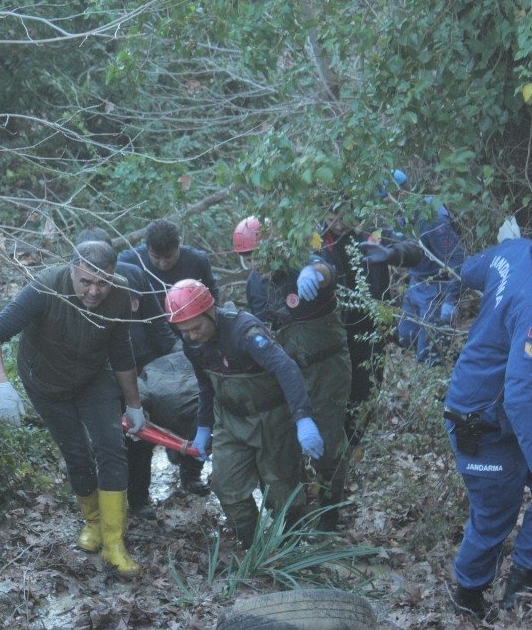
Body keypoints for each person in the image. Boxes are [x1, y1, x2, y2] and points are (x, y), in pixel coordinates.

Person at [0, 241, 145, 576]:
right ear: (72, 269)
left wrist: (134, 404)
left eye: (104, 282)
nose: (95, 291)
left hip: (93, 377)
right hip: (46, 382)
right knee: (77, 454)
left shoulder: (120, 294)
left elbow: (121, 351)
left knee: (112, 448)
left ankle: (114, 543)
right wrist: (2, 385)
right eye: (86, 282)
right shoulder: (44, 287)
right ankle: (94, 523)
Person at [164, 278, 325, 548]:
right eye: (184, 330)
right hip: (230, 421)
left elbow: (286, 368)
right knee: (226, 485)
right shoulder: (191, 344)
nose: (192, 335)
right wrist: (203, 429)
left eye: (196, 327)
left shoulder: (244, 331)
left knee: (282, 490)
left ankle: (292, 544)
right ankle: (252, 546)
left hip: (271, 419)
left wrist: (302, 417)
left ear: (210, 311)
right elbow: (206, 385)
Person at [443, 228, 532, 618]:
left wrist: (504, 256)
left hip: (516, 414)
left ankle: (521, 586)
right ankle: (466, 600)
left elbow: (469, 271)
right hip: (482, 421)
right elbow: (520, 394)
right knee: (494, 518)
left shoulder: (516, 251)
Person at [76, 229, 207, 519]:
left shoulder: (134, 275)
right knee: (109, 442)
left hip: (144, 366)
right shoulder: (81, 287)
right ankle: (107, 504)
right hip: (106, 372)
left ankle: (139, 499)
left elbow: (157, 323)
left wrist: (181, 355)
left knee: (142, 438)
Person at [232, 216, 352, 531]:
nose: (254, 263)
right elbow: (260, 328)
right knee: (283, 446)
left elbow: (327, 271)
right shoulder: (254, 283)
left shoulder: (305, 262)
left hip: (326, 368)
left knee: (326, 445)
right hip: (285, 371)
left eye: (258, 255)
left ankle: (329, 514)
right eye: (247, 258)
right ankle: (295, 514)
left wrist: (314, 273)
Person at [317, 206, 424, 451]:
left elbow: (415, 250)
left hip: (371, 328)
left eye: (344, 217)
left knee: (366, 392)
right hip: (334, 332)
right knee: (334, 396)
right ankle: (333, 455)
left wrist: (391, 254)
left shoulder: (372, 226)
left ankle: (353, 447)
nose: (340, 225)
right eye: (332, 219)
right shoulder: (316, 238)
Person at [387, 169, 466, 366]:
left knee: (430, 354)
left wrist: (451, 299)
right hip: (417, 283)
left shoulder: (433, 218)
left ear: (400, 194)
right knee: (406, 336)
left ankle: (441, 385)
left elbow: (457, 260)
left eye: (386, 200)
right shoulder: (402, 215)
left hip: (438, 288)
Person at [118, 218, 219, 303]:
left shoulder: (197, 261)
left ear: (178, 245)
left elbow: (212, 292)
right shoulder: (128, 262)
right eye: (156, 257)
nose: (163, 264)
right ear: (147, 248)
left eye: (168, 257)